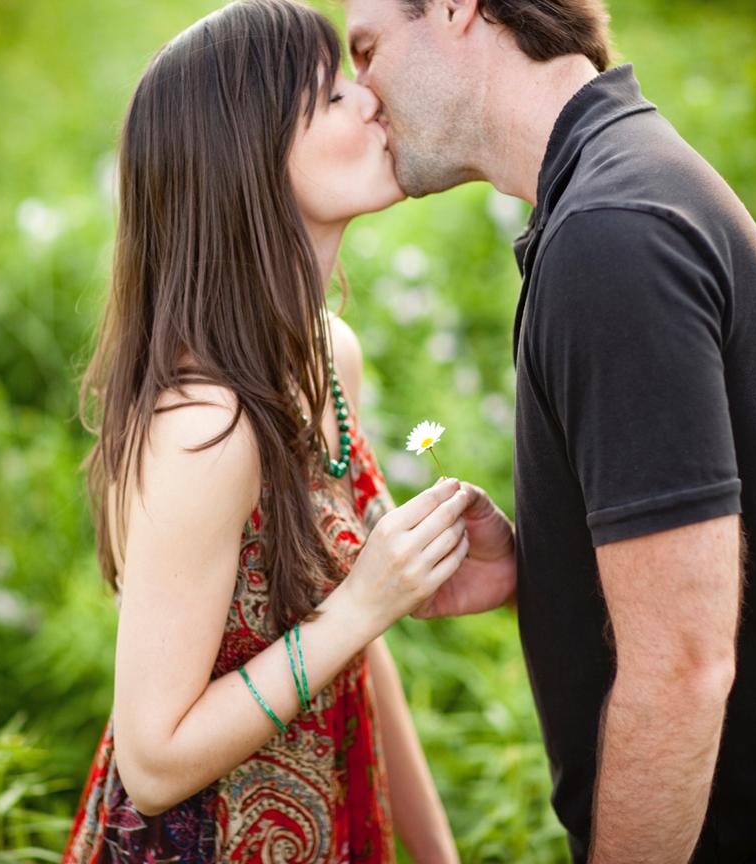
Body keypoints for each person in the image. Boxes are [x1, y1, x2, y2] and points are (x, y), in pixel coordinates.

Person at [342, 0, 756, 861]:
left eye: (367, 49)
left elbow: (683, 669)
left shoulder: (613, 232)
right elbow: (711, 574)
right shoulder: (615, 190)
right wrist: (546, 565)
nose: (364, 96)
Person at [60, 0, 518, 860]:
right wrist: (361, 606)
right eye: (332, 95)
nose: (372, 99)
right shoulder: (204, 429)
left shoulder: (324, 355)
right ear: (251, 164)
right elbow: (153, 762)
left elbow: (356, 635)